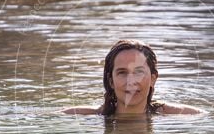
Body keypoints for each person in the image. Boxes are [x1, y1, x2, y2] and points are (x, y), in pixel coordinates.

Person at [63, 39, 204, 116]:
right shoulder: (85, 116)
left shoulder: (179, 115)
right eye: (122, 72)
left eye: (139, 72)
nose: (131, 81)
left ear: (153, 79)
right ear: (111, 81)